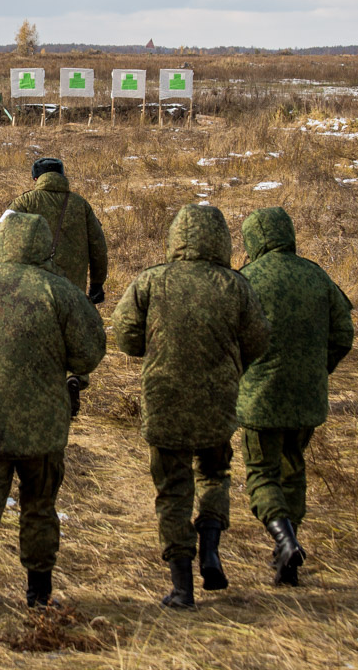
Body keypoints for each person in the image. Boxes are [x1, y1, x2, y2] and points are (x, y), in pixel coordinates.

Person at [0, 211, 107, 639]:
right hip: (42, 427)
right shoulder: (61, 292)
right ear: (44, 247)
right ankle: (39, 599)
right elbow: (89, 353)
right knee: (39, 508)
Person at [112, 204, 270, 609]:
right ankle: (211, 548)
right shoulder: (235, 285)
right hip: (217, 401)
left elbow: (126, 336)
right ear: (221, 239)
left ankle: (182, 587)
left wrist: (156, 347)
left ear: (175, 237)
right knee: (215, 473)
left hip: (164, 399)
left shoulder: (151, 282)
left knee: (172, 491)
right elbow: (257, 340)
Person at [236, 206, 353, 587]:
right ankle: (289, 549)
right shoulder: (316, 275)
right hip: (307, 397)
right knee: (293, 467)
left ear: (253, 239)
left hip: (259, 397)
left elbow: (230, 339)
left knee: (261, 473)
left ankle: (283, 539)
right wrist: (319, 369)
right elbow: (343, 334)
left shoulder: (246, 279)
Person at [7, 157, 108, 416]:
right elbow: (98, 247)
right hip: (71, 287)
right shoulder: (80, 205)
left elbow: (3, 240)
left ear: (35, 178)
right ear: (63, 176)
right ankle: (76, 377)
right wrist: (97, 283)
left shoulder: (23, 203)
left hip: (31, 284)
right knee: (74, 332)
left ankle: (37, 382)